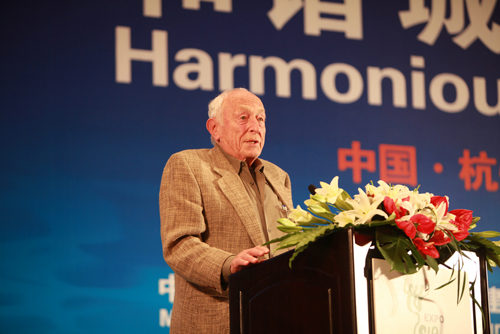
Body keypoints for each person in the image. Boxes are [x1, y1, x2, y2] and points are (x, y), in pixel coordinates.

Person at [159, 88, 293, 333]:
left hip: (277, 317)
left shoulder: (279, 176)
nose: (255, 126)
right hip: (217, 321)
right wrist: (228, 265)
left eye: (260, 119)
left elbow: (287, 244)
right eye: (243, 118)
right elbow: (179, 244)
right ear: (214, 128)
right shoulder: (188, 165)